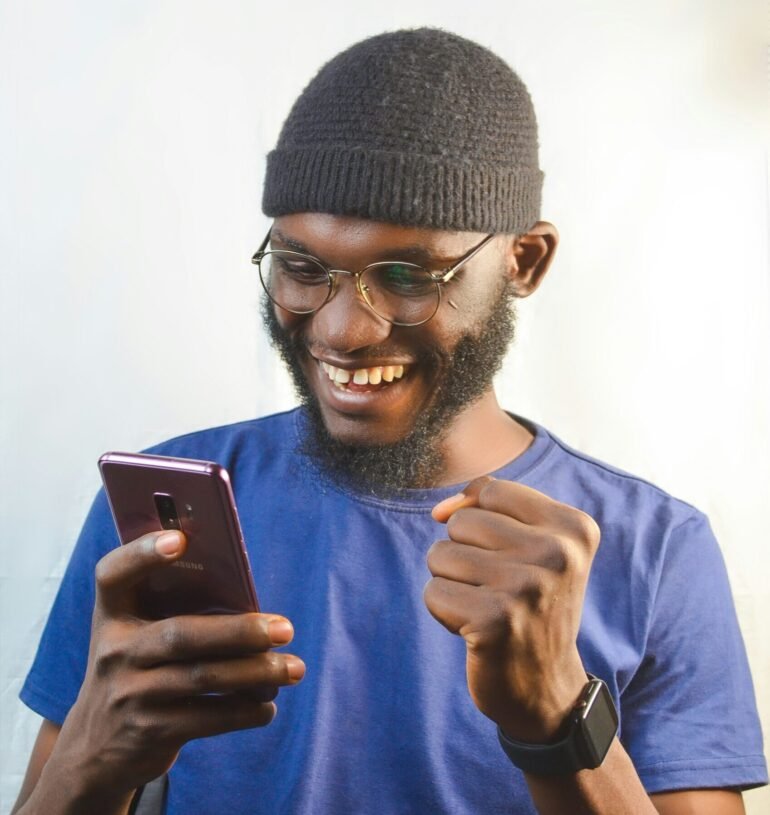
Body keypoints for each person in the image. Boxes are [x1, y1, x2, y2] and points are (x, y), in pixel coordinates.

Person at [13, 27, 767, 815]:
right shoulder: (164, 514)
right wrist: (92, 760)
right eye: (302, 267)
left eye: (408, 276)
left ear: (524, 261)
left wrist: (557, 715)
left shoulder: (655, 548)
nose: (342, 329)